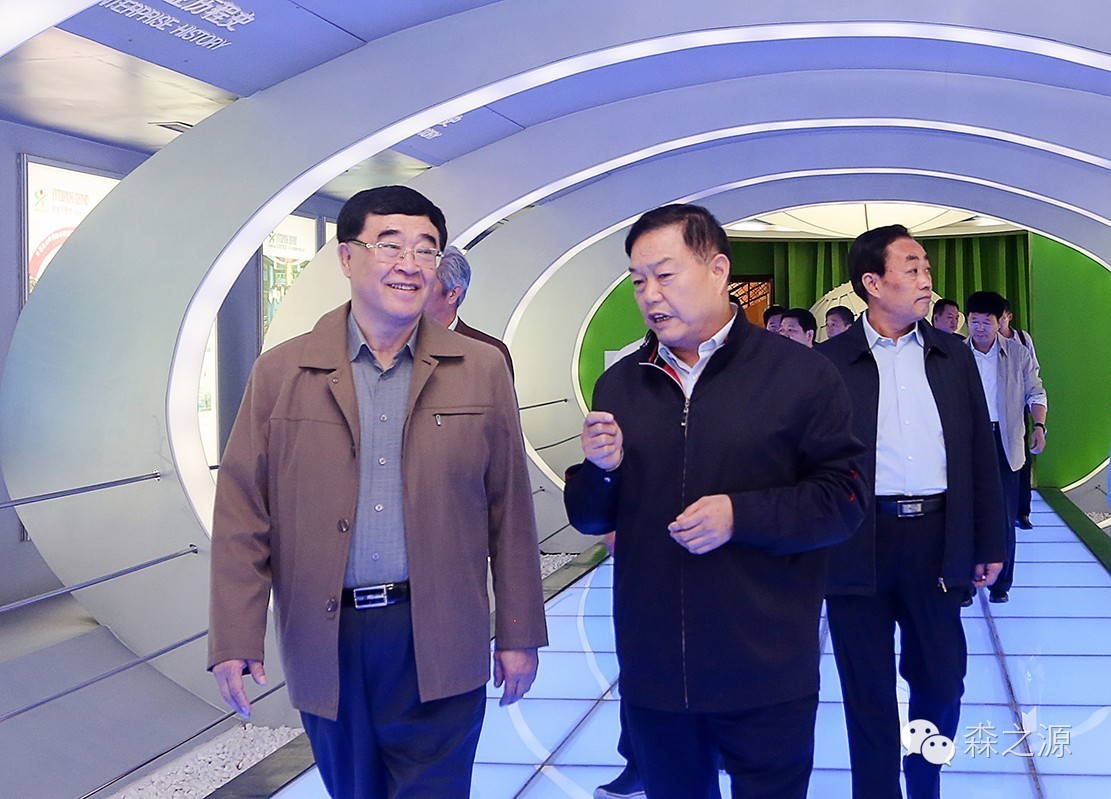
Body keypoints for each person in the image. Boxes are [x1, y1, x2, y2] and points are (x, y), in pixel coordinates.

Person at [208, 185, 547, 799]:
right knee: (353, 788)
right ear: (347, 257)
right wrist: (235, 635)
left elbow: (510, 511)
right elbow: (242, 512)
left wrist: (519, 630)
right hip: (328, 637)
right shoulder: (281, 373)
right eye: (390, 245)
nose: (409, 264)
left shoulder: (481, 369)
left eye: (426, 249)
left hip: (441, 631)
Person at [564, 203, 866, 799]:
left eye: (665, 275)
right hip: (656, 670)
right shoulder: (621, 383)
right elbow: (592, 517)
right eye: (638, 281)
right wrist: (601, 471)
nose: (650, 295)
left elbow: (843, 498)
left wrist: (740, 515)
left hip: (765, 668)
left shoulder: (798, 375)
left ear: (718, 269)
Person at [819, 225, 1007, 799]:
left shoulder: (952, 355)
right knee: (866, 690)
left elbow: (979, 453)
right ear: (873, 283)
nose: (927, 279)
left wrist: (991, 543)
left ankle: (925, 782)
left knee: (943, 679)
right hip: (858, 541)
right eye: (912, 267)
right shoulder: (830, 363)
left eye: (927, 267)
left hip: (936, 538)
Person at [966, 290, 1047, 603]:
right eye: (974, 321)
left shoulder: (1017, 353)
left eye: (986, 322)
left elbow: (1035, 392)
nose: (980, 328)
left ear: (1001, 321)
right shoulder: (956, 354)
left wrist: (1038, 426)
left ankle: (1001, 585)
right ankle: (965, 583)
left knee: (1003, 517)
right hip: (968, 443)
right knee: (964, 513)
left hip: (1005, 442)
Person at [425, 245, 515, 377]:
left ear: (453, 294)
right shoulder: (397, 344)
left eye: (426, 286)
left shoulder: (489, 355)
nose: (413, 293)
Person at [1000, 298, 1041, 529]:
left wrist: (1038, 421)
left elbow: (1033, 372)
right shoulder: (977, 345)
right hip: (994, 410)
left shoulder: (1022, 340)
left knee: (1021, 461)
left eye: (1002, 317)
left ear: (1009, 317)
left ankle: (1022, 512)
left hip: (1018, 407)